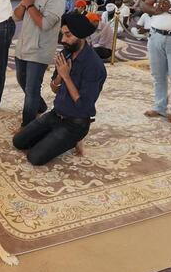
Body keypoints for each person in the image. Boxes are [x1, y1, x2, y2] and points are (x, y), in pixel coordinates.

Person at [13, 12, 106, 165]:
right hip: (56, 115)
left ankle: (75, 139)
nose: (63, 40)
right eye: (62, 35)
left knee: (34, 157)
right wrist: (60, 77)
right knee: (19, 141)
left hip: (75, 123)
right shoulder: (66, 54)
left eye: (68, 35)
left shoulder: (94, 66)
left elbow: (82, 105)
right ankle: (54, 136)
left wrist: (67, 77)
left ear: (81, 35)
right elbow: (54, 89)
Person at [13, 0, 65, 129]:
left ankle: (27, 127)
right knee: (22, 81)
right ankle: (40, 106)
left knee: (31, 89)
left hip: (39, 49)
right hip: (23, 47)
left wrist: (30, 6)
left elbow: (45, 24)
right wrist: (24, 3)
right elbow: (16, 17)